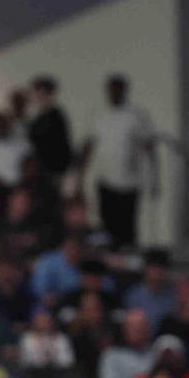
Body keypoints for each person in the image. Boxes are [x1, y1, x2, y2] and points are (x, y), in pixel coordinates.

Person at [80, 75, 155, 249]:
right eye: (111, 90)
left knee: (128, 229)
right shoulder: (98, 115)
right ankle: (111, 264)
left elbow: (150, 149)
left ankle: (128, 265)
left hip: (130, 183)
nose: (114, 94)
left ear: (125, 91)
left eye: (118, 90)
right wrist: (80, 176)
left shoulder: (137, 115)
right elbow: (87, 146)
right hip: (105, 180)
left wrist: (154, 179)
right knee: (107, 229)